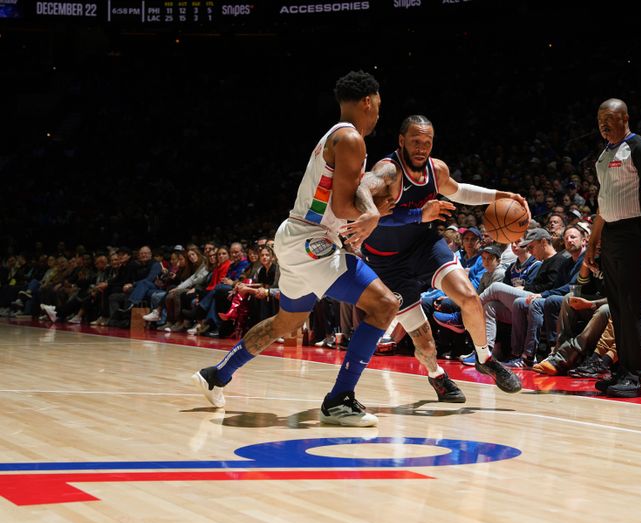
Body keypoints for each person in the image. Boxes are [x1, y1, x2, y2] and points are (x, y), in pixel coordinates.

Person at [192, 71, 399, 427]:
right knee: (384, 305)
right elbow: (342, 206)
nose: (379, 112)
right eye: (378, 104)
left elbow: (346, 200)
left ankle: (217, 375)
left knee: (288, 320)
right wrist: (375, 212)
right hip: (311, 239)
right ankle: (338, 400)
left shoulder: (336, 137)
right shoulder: (351, 137)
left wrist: (373, 204)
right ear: (368, 101)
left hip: (296, 236)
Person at [361, 115, 524, 396]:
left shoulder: (436, 170)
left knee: (470, 297)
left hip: (423, 245)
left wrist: (499, 195)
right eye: (415, 141)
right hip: (387, 260)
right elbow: (369, 213)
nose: (422, 147)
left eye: (427, 142)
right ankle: (436, 374)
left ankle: (485, 358)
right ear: (401, 141)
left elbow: (459, 191)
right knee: (424, 344)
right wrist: (418, 213)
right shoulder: (388, 172)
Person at [586, 98, 641, 397]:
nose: (603, 124)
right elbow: (603, 201)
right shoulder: (605, 154)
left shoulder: (640, 148)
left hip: (634, 233)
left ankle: (638, 377)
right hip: (611, 234)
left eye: (609, 117)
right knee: (617, 308)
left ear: (625, 118)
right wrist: (593, 240)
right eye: (599, 119)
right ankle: (623, 370)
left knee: (631, 307)